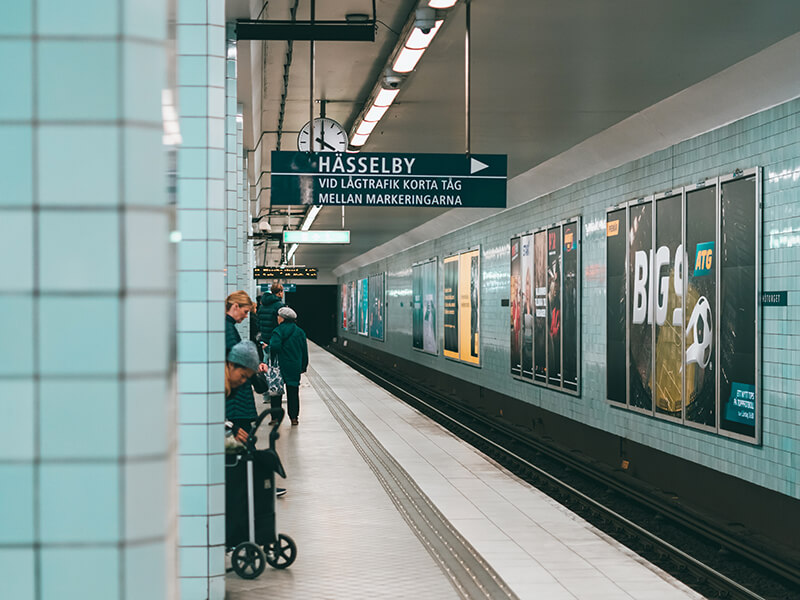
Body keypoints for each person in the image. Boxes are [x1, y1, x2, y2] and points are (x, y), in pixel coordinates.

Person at [269, 306, 308, 426]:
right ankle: (294, 418)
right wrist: (303, 366)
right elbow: (304, 351)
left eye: (278, 316)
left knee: (276, 393)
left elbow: (274, 347)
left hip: (280, 366)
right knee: (293, 392)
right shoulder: (300, 332)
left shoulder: (278, 331)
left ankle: (275, 418)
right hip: (294, 366)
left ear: (282, 318)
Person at [225, 340, 261, 443]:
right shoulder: (215, 386)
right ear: (231, 364)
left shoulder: (226, 387)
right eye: (242, 376)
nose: (243, 381)